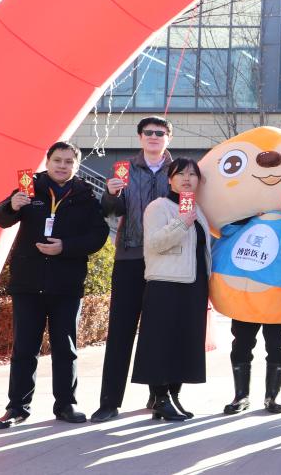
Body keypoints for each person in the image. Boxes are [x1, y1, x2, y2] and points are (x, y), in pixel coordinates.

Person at [0, 142, 109, 429]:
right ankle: (17, 407)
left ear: (76, 165)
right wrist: (10, 206)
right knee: (24, 349)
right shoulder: (29, 188)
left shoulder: (86, 196)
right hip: (28, 283)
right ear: (48, 161)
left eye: (68, 161)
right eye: (57, 160)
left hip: (66, 284)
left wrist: (65, 246)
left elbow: (98, 236)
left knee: (66, 349)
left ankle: (66, 404)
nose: (62, 166)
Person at [92, 116, 173, 423]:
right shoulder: (123, 169)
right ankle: (109, 401)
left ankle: (161, 396)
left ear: (168, 138)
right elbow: (112, 212)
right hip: (130, 257)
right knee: (121, 331)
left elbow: (189, 208)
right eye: (148, 132)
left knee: (160, 330)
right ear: (140, 137)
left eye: (160, 133)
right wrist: (111, 194)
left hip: (166, 260)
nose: (154, 136)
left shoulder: (179, 171)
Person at [132, 158, 211, 421]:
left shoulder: (198, 210)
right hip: (165, 282)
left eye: (192, 174)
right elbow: (154, 244)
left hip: (194, 284)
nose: (187, 179)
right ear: (169, 179)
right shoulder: (159, 206)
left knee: (185, 341)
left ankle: (173, 396)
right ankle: (160, 398)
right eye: (180, 174)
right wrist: (181, 223)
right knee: (160, 341)